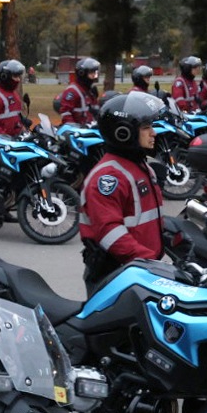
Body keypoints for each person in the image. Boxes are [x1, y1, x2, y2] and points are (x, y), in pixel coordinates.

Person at [78, 93, 167, 293]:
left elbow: (148, 219)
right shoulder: (108, 177)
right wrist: (150, 263)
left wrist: (176, 239)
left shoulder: (141, 167)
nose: (153, 133)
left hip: (138, 269)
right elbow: (110, 233)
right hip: (116, 272)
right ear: (123, 132)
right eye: (146, 127)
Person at [0, 59, 28, 139]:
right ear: (4, 77)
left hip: (15, 140)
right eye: (15, 77)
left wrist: (23, 123)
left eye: (18, 77)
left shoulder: (14, 94)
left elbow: (15, 117)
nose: (18, 80)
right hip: (0, 143)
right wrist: (4, 137)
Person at [56, 57, 102, 126]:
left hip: (90, 129)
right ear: (82, 73)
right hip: (78, 132)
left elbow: (96, 111)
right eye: (92, 73)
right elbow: (65, 112)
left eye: (96, 73)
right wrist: (74, 128)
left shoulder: (90, 91)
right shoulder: (72, 91)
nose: (94, 76)